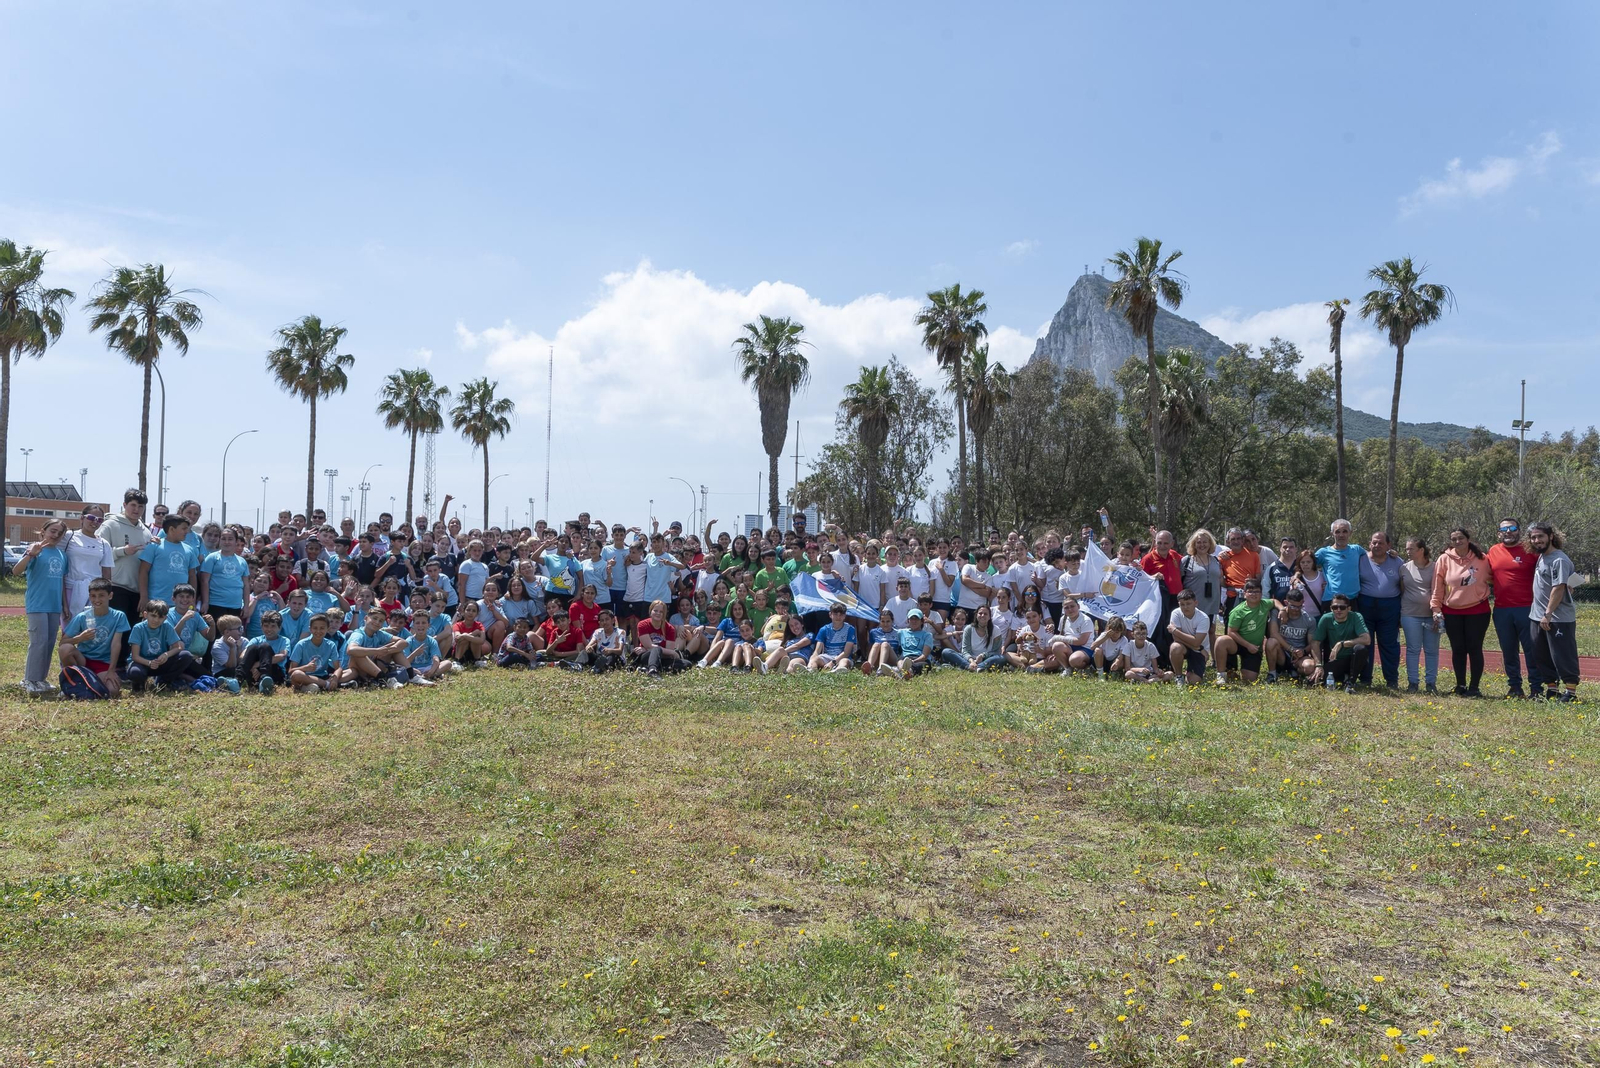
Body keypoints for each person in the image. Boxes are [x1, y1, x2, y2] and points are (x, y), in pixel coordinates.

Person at [1431, 527, 1492, 698]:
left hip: (1478, 610)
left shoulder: (1482, 558)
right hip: (1452, 611)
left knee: (1474, 648)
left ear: (1468, 539)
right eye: (1454, 539)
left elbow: (1495, 577)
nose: (1458, 542)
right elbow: (1438, 586)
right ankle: (1460, 685)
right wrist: (1436, 608)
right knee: (1458, 648)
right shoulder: (1444, 559)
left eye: (1461, 538)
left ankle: (1474, 687)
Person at [1486, 517, 1542, 699]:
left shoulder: (1530, 550)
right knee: (1508, 650)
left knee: (1532, 650)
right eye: (1504, 529)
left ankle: (1536, 688)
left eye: (1512, 528)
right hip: (1502, 610)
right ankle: (1515, 687)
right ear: (1498, 533)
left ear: (1519, 530)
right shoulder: (1493, 551)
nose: (1508, 532)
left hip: (1527, 608)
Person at [1527, 521, 1580, 703]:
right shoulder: (1542, 557)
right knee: (1541, 654)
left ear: (1550, 536)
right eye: (1533, 537)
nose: (1536, 540)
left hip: (1557, 617)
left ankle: (1571, 692)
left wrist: (1548, 613)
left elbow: (1558, 588)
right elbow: (1569, 583)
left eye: (1540, 536)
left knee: (1563, 654)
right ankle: (1552, 689)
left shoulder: (1559, 558)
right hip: (1537, 615)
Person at [15, 518, 69, 693]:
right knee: (38, 642)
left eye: (60, 533)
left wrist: (64, 605)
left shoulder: (62, 555)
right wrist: (31, 555)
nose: (56, 535)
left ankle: (41, 680)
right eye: (53, 531)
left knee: (48, 643)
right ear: (43, 530)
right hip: (37, 604)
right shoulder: (34, 549)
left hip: (54, 606)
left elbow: (61, 580)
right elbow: (16, 571)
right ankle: (29, 679)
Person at [59, 577, 131, 697]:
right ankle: (73, 680)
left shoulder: (118, 616)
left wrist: (111, 670)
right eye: (93, 596)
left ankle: (88, 683)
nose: (97, 600)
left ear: (110, 596)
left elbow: (116, 644)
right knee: (65, 649)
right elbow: (63, 642)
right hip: (83, 660)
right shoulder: (82, 616)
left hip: (103, 662)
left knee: (112, 691)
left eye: (101, 595)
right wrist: (80, 638)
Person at [1356, 531, 1403, 688]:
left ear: (1388, 545)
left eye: (1381, 543)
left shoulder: (1397, 562)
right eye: (1374, 542)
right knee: (1365, 642)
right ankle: (1365, 679)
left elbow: (1404, 586)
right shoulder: (1361, 559)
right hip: (1365, 605)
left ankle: (1391, 680)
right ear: (1369, 544)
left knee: (1389, 645)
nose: (1377, 545)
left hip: (1390, 607)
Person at [101, 488, 152, 622]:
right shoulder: (110, 525)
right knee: (116, 631)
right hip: (116, 587)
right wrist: (122, 551)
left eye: (140, 506)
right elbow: (98, 555)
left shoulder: (147, 532)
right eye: (133, 505)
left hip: (137, 590)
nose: (136, 509)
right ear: (124, 505)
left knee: (132, 633)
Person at [1399, 537, 1440, 694]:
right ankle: (1413, 683)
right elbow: (1402, 589)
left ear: (1421, 550)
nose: (1408, 552)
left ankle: (1431, 683)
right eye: (1406, 549)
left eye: (1411, 549)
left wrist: (1437, 612)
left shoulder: (1436, 567)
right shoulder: (1403, 568)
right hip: (1410, 614)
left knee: (1431, 650)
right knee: (1413, 649)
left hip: (1431, 615)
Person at [126, 600, 196, 693]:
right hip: (142, 662)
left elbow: (179, 647)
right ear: (145, 614)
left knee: (186, 655)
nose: (156, 620)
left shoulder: (166, 626)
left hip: (161, 662)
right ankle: (139, 684)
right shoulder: (138, 628)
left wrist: (167, 654)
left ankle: (163, 682)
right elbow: (135, 656)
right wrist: (149, 663)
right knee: (135, 672)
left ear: (165, 618)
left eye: (160, 617)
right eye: (153, 616)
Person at [1214, 578, 1270, 684]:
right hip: (1238, 644)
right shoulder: (1237, 611)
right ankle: (1221, 675)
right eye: (1250, 591)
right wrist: (1248, 645)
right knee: (1222, 640)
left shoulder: (1265, 604)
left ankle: (1242, 669)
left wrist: (1282, 610)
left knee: (1249, 680)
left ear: (1261, 593)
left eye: (1257, 591)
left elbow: (1275, 602)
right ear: (1244, 594)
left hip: (1254, 648)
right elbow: (1231, 632)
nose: (1254, 594)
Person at [1141, 531, 1182, 667]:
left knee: (1173, 629)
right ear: (1155, 542)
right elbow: (1141, 580)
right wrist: (1153, 577)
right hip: (1157, 601)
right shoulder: (1148, 559)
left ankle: (1172, 661)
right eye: (1159, 543)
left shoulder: (1175, 556)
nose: (1162, 546)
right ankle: (1158, 662)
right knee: (1159, 631)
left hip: (1176, 599)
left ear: (1172, 543)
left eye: (1166, 543)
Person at [1315, 593, 1371, 693]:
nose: (1338, 610)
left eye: (1342, 607)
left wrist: (1341, 644)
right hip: (1336, 660)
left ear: (1349, 608)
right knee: (1318, 681)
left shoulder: (1356, 617)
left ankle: (1351, 683)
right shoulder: (1326, 618)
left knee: (1360, 649)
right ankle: (1344, 678)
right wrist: (1318, 665)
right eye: (1335, 607)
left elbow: (1367, 639)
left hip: (1353, 659)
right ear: (1331, 608)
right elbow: (1315, 643)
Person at [63, 508, 114, 617]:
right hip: (70, 589)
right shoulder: (68, 536)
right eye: (91, 518)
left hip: (94, 593)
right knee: (69, 629)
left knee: (91, 628)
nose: (95, 522)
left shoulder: (104, 544)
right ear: (82, 518)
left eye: (99, 520)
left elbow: (107, 573)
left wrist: (104, 595)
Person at [1266, 589, 1318, 684]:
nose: (1296, 610)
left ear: (1303, 602)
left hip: (1299, 655)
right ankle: (1272, 673)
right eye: (1293, 606)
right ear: (1286, 602)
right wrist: (1291, 649)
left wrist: (1304, 651)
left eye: (1299, 606)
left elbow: (1312, 643)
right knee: (1271, 642)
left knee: (1309, 666)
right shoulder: (1276, 613)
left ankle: (1295, 672)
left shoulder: (1310, 619)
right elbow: (1273, 633)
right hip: (1282, 653)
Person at [1180, 530, 1223, 638]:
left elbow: (1221, 580)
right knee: (1193, 632)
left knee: (1211, 631)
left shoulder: (1216, 560)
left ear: (1210, 544)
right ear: (1194, 544)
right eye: (1199, 542)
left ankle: (1214, 655)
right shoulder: (1187, 561)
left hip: (1212, 603)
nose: (1202, 545)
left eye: (1205, 542)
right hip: (1193, 604)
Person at [1166, 588, 1210, 686]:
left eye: (1188, 603)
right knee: (1175, 647)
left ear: (1196, 603)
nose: (1185, 607)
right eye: (1182, 604)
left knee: (1193, 682)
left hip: (1199, 651)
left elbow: (1196, 642)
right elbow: (1176, 638)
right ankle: (1179, 677)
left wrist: (1175, 630)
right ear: (1179, 604)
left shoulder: (1203, 618)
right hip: (1193, 648)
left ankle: (1190, 673)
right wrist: (1198, 647)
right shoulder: (1176, 613)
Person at [289, 615, 344, 693]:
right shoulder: (301, 644)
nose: (318, 631)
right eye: (315, 628)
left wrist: (335, 678)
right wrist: (305, 667)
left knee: (350, 672)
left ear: (327, 629)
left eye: (322, 628)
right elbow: (291, 671)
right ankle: (327, 685)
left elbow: (338, 668)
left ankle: (317, 686)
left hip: (323, 676)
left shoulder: (331, 645)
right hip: (306, 676)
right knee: (296, 674)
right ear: (310, 629)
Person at [943, 604, 1006, 672]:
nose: (982, 615)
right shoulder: (969, 629)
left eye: (985, 614)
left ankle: (977, 667)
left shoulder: (996, 630)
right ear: (976, 615)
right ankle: (971, 667)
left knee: (1002, 658)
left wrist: (983, 655)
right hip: (969, 659)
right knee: (946, 652)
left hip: (986, 659)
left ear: (989, 617)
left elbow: (996, 651)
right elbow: (965, 651)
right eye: (980, 613)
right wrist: (972, 661)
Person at [241, 610, 290, 693]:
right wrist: (253, 667)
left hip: (275, 671)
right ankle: (238, 680)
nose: (269, 629)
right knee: (252, 648)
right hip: (254, 671)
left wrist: (258, 664)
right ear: (261, 626)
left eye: (273, 626)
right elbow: (242, 656)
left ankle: (265, 680)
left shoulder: (284, 640)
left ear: (280, 627)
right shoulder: (256, 639)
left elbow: (282, 656)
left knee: (265, 646)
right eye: (266, 626)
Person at [1315, 519, 1364, 601]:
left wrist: (1390, 554)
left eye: (1345, 531)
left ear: (1350, 533)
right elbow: (1304, 564)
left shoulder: (1357, 550)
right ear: (1332, 534)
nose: (1341, 535)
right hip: (1332, 600)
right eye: (1337, 532)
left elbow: (1374, 557)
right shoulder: (1323, 553)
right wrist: (1297, 575)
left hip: (1354, 600)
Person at [634, 600, 681, 678]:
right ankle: (653, 671)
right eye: (655, 610)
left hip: (663, 658)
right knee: (656, 649)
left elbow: (669, 652)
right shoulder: (642, 625)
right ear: (650, 611)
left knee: (686, 664)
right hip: (646, 656)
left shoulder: (670, 628)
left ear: (664, 614)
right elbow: (649, 646)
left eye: (661, 612)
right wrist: (672, 652)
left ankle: (646, 669)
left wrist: (670, 652)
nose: (658, 613)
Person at [808, 604, 858, 673]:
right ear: (830, 615)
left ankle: (838, 671)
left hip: (843, 657)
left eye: (841, 614)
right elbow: (817, 651)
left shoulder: (850, 629)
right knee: (814, 659)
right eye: (835, 614)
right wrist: (812, 659)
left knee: (844, 662)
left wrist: (832, 662)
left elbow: (846, 652)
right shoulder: (824, 629)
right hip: (827, 656)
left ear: (844, 616)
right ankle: (810, 670)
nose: (838, 617)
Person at [896, 609, 936, 678]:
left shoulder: (927, 635)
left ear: (921, 621)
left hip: (920, 659)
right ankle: (903, 672)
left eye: (916, 619)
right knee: (900, 661)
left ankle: (901, 673)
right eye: (911, 619)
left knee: (919, 666)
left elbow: (924, 656)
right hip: (905, 658)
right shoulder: (901, 632)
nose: (914, 621)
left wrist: (913, 661)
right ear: (908, 620)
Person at [867, 608, 903, 677]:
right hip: (878, 658)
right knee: (876, 644)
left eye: (888, 621)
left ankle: (881, 669)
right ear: (879, 621)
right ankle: (869, 667)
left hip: (893, 659)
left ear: (892, 621)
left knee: (885, 644)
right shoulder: (874, 632)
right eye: (883, 621)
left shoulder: (898, 633)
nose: (885, 624)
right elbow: (870, 648)